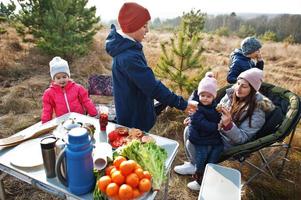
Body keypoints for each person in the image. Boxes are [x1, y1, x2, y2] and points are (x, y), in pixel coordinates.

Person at [105, 2, 197, 132]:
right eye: (144, 26)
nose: (147, 30)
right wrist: (182, 104)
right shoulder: (128, 57)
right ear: (133, 27)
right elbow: (152, 86)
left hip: (135, 112)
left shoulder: (129, 47)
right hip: (134, 119)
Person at [174, 68, 275, 179]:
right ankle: (194, 165)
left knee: (192, 143)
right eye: (238, 83)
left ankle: (202, 173)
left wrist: (229, 125)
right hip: (216, 131)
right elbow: (214, 113)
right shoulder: (231, 94)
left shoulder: (257, 111)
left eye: (244, 86)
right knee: (189, 129)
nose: (238, 88)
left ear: (253, 90)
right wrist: (195, 119)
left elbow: (243, 138)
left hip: (229, 141)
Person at [174, 72, 223, 191]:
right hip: (200, 136)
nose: (205, 98)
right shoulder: (197, 107)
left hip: (205, 139)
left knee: (203, 159)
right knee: (198, 155)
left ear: (214, 97)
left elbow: (205, 121)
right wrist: (192, 119)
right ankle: (195, 170)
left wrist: (217, 124)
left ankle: (200, 181)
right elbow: (201, 120)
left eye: (209, 96)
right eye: (203, 95)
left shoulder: (213, 108)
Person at [41, 56, 98, 123]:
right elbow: (47, 109)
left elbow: (86, 101)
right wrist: (45, 123)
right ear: (53, 79)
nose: (62, 80)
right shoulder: (49, 93)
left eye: (64, 77)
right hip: (62, 121)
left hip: (79, 118)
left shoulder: (78, 88)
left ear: (68, 76)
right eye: (58, 78)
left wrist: (94, 113)